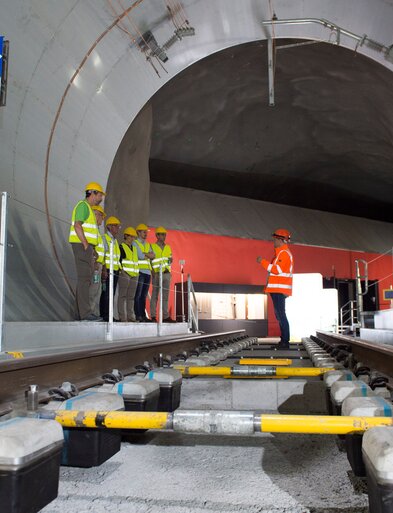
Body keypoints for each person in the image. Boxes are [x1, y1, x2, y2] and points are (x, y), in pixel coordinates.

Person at [69, 181, 105, 321]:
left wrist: (92, 249)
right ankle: (85, 314)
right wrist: (85, 244)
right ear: (92, 193)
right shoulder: (83, 206)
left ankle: (83, 313)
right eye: (100, 195)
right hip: (81, 246)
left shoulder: (88, 209)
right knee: (84, 279)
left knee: (86, 279)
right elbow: (77, 225)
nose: (101, 198)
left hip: (87, 247)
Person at [256, 228, 294, 349]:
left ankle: (285, 342)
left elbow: (277, 270)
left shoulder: (284, 254)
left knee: (281, 315)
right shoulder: (280, 253)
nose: (273, 241)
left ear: (281, 239)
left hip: (279, 290)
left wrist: (262, 261)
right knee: (280, 315)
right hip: (277, 290)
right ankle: (284, 341)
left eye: (275, 239)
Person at [150, 226, 175, 322]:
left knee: (165, 296)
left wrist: (170, 261)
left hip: (166, 273)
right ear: (157, 235)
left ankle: (165, 316)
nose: (164, 236)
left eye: (165, 234)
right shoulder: (152, 246)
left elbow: (169, 260)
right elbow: (150, 260)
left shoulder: (168, 247)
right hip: (157, 273)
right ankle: (153, 316)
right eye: (162, 234)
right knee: (155, 295)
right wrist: (152, 271)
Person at [100, 216, 121, 322]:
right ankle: (105, 315)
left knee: (111, 294)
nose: (118, 228)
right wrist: (103, 270)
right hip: (108, 270)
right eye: (116, 226)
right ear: (109, 227)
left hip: (115, 270)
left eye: (118, 226)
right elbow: (103, 255)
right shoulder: (105, 238)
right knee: (106, 293)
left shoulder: (115, 240)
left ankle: (109, 315)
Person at [133, 223, 154, 322]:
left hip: (147, 273)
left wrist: (146, 254)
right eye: (144, 232)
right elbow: (140, 256)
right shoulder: (135, 243)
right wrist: (147, 254)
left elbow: (153, 256)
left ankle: (143, 315)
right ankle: (138, 315)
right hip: (140, 272)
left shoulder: (147, 244)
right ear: (138, 233)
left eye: (146, 232)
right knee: (138, 295)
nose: (146, 234)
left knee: (144, 295)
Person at [118, 227, 139, 322]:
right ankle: (122, 317)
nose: (132, 239)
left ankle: (131, 317)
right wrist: (122, 271)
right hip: (125, 274)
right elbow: (119, 260)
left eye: (134, 237)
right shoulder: (121, 247)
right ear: (126, 236)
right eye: (131, 236)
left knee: (131, 297)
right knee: (122, 296)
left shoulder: (134, 248)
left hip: (134, 275)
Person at [89, 205, 106, 318]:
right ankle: (89, 312)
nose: (102, 219)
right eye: (101, 215)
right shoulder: (92, 229)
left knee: (97, 290)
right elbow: (91, 247)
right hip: (95, 264)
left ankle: (94, 312)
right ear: (95, 214)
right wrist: (94, 262)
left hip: (99, 265)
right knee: (93, 289)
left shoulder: (97, 231)